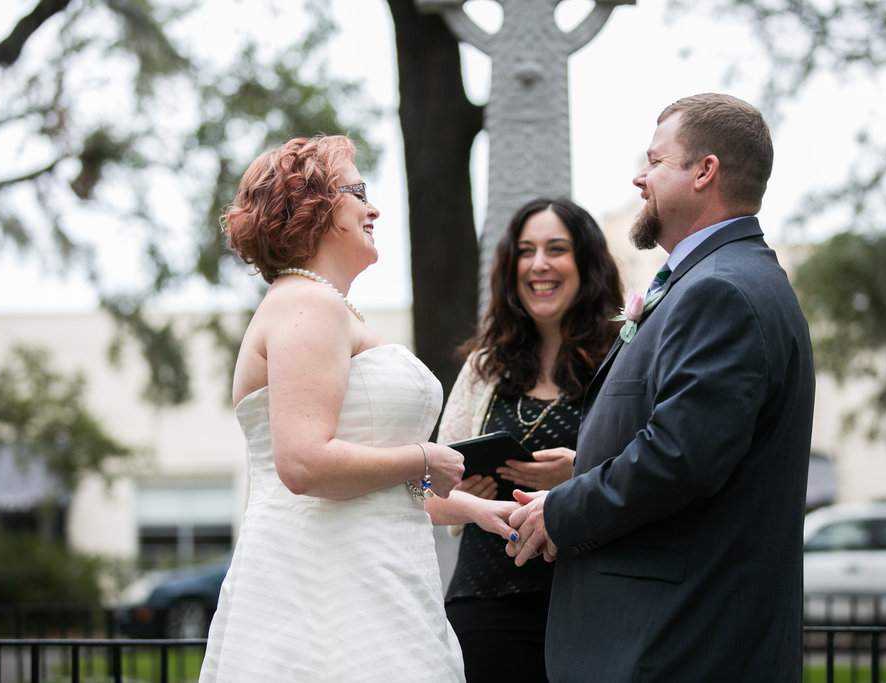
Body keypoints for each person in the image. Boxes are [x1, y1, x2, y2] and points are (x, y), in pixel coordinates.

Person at [507, 93, 816, 681]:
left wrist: (562, 510)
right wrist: (589, 464)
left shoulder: (721, 291)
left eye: (655, 161)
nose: (638, 177)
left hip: (675, 644)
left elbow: (680, 457)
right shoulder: (712, 281)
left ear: (705, 172)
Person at [199, 135, 516, 682]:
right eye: (358, 191)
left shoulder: (327, 306)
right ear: (313, 205)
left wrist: (470, 508)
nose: (374, 208)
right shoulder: (307, 302)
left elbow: (365, 486)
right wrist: (423, 456)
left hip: (374, 573)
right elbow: (303, 465)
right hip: (327, 590)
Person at [426, 197, 623, 682]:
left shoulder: (624, 361)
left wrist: (579, 471)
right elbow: (419, 491)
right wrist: (466, 503)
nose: (539, 264)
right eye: (526, 250)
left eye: (556, 249)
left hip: (591, 602)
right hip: (486, 604)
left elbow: (649, 474)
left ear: (585, 262)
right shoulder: (482, 369)